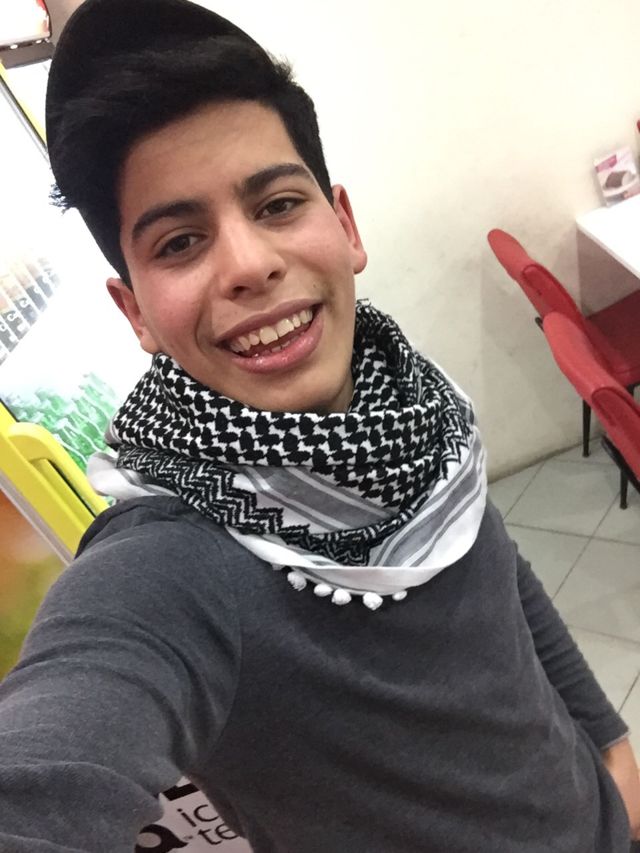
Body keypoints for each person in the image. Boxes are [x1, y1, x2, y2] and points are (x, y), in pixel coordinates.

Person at [0, 0, 639, 850]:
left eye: (275, 205)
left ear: (344, 224)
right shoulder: (170, 569)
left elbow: (498, 573)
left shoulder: (413, 411)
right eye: (180, 242)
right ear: (136, 311)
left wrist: (611, 746)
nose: (250, 263)